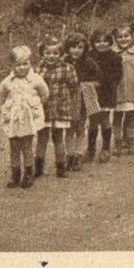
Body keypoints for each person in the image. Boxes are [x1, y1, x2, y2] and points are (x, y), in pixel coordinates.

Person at [0, 45, 48, 188]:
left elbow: (44, 94)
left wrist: (34, 107)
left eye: (25, 64)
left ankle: (28, 174)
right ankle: (15, 175)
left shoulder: (36, 80)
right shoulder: (7, 82)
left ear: (30, 63)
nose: (22, 68)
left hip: (28, 119)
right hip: (13, 120)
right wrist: (8, 110)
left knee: (27, 146)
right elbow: (2, 98)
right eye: (18, 65)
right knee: (14, 147)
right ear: (12, 65)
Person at [35, 35, 79, 178]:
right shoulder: (38, 69)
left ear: (60, 54)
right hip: (44, 109)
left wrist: (68, 102)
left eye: (55, 53)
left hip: (60, 109)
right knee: (42, 138)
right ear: (42, 53)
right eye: (48, 53)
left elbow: (73, 86)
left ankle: (61, 167)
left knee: (58, 138)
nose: (51, 56)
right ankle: (38, 168)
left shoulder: (67, 68)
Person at [63, 32, 100, 171]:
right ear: (67, 48)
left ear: (84, 49)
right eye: (73, 47)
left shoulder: (89, 62)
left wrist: (87, 85)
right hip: (67, 99)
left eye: (80, 47)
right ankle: (69, 155)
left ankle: (78, 154)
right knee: (69, 128)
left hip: (83, 99)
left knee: (80, 127)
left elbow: (99, 79)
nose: (76, 50)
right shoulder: (64, 61)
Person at [113, 24, 134, 157]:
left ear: (132, 37)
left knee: (130, 116)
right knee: (117, 117)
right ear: (115, 39)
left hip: (132, 90)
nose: (123, 39)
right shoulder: (112, 53)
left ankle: (131, 141)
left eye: (126, 36)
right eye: (120, 37)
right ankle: (118, 143)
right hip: (117, 91)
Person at [88, 29, 123, 163]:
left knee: (104, 119)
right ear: (93, 43)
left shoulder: (115, 57)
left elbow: (118, 76)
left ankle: (105, 149)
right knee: (92, 120)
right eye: (98, 41)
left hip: (107, 92)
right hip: (92, 92)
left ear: (110, 42)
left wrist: (106, 82)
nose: (101, 44)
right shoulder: (89, 56)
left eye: (104, 41)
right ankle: (91, 149)